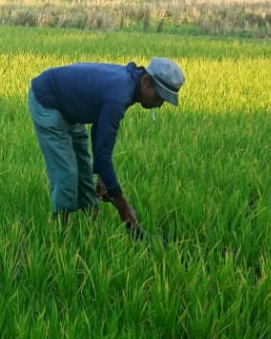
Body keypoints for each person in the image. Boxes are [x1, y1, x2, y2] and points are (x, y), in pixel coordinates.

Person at [28, 57, 185, 237]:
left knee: (84, 168)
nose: (159, 104)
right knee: (67, 173)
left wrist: (103, 176)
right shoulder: (119, 94)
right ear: (146, 81)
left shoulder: (130, 84)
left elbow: (100, 129)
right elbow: (103, 156)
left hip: (72, 108)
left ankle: (91, 228)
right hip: (48, 100)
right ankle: (61, 235)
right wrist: (123, 206)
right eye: (159, 97)